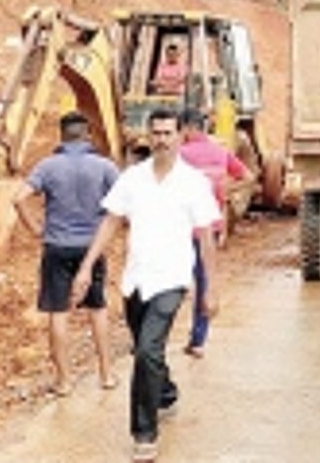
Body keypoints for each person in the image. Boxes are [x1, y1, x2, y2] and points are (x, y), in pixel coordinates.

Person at [71, 108, 220, 462]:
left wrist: (209, 289)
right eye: (156, 133)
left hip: (171, 279)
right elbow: (111, 222)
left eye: (168, 133)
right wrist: (86, 266)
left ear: (181, 137)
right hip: (135, 280)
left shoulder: (193, 183)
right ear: (148, 136)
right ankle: (165, 393)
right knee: (146, 349)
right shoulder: (133, 178)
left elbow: (206, 238)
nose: (162, 140)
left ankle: (144, 433)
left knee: (148, 351)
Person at [12, 111, 119, 396]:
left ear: (61, 135)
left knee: (58, 313)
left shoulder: (48, 167)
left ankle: (64, 381)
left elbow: (18, 198)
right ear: (87, 134)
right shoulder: (104, 167)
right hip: (91, 249)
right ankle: (107, 375)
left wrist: (36, 228)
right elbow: (122, 203)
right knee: (97, 309)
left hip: (57, 247)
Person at [178, 108, 254, 358]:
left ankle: (152, 336)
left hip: (181, 227)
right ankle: (198, 341)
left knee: (170, 281)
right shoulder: (221, 152)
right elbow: (248, 176)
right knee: (204, 282)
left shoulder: (180, 154)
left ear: (187, 129)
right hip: (211, 227)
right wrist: (225, 193)